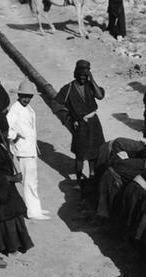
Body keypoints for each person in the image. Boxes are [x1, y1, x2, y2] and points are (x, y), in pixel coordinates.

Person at [0, 109, 34, 256]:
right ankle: (10, 248)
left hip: (7, 189)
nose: (6, 134)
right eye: (3, 132)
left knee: (15, 215)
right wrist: (13, 178)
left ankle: (18, 245)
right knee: (6, 218)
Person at [55, 59, 105, 187]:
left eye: (86, 76)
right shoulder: (68, 89)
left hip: (94, 122)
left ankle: (92, 175)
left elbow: (99, 96)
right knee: (80, 153)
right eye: (81, 76)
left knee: (95, 151)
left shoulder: (90, 86)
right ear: (76, 74)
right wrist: (69, 120)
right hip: (80, 124)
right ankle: (78, 181)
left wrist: (92, 80)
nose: (83, 79)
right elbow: (56, 105)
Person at [7, 80, 49, 220]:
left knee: (33, 180)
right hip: (23, 150)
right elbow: (7, 129)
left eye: (29, 96)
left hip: (31, 149)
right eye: (24, 96)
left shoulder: (28, 109)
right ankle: (32, 212)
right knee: (29, 181)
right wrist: (16, 136)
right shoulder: (15, 109)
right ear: (19, 95)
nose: (26, 99)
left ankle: (36, 208)